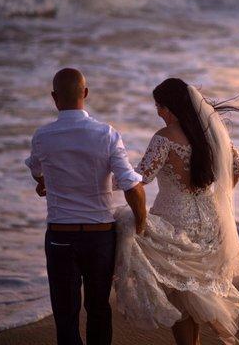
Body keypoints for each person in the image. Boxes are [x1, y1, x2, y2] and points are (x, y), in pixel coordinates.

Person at [113, 78, 239, 345]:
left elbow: (141, 178)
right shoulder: (210, 135)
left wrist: (105, 179)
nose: (158, 113)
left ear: (172, 107)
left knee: (179, 292)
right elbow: (237, 168)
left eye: (160, 107)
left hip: (175, 219)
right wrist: (220, 200)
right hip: (210, 219)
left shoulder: (164, 138)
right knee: (193, 290)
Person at [25, 67, 147, 345]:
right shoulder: (106, 134)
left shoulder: (43, 136)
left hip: (61, 237)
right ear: (86, 94)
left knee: (65, 315)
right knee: (99, 309)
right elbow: (132, 186)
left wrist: (43, 181)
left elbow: (35, 169)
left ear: (54, 97)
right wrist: (140, 224)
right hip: (100, 237)